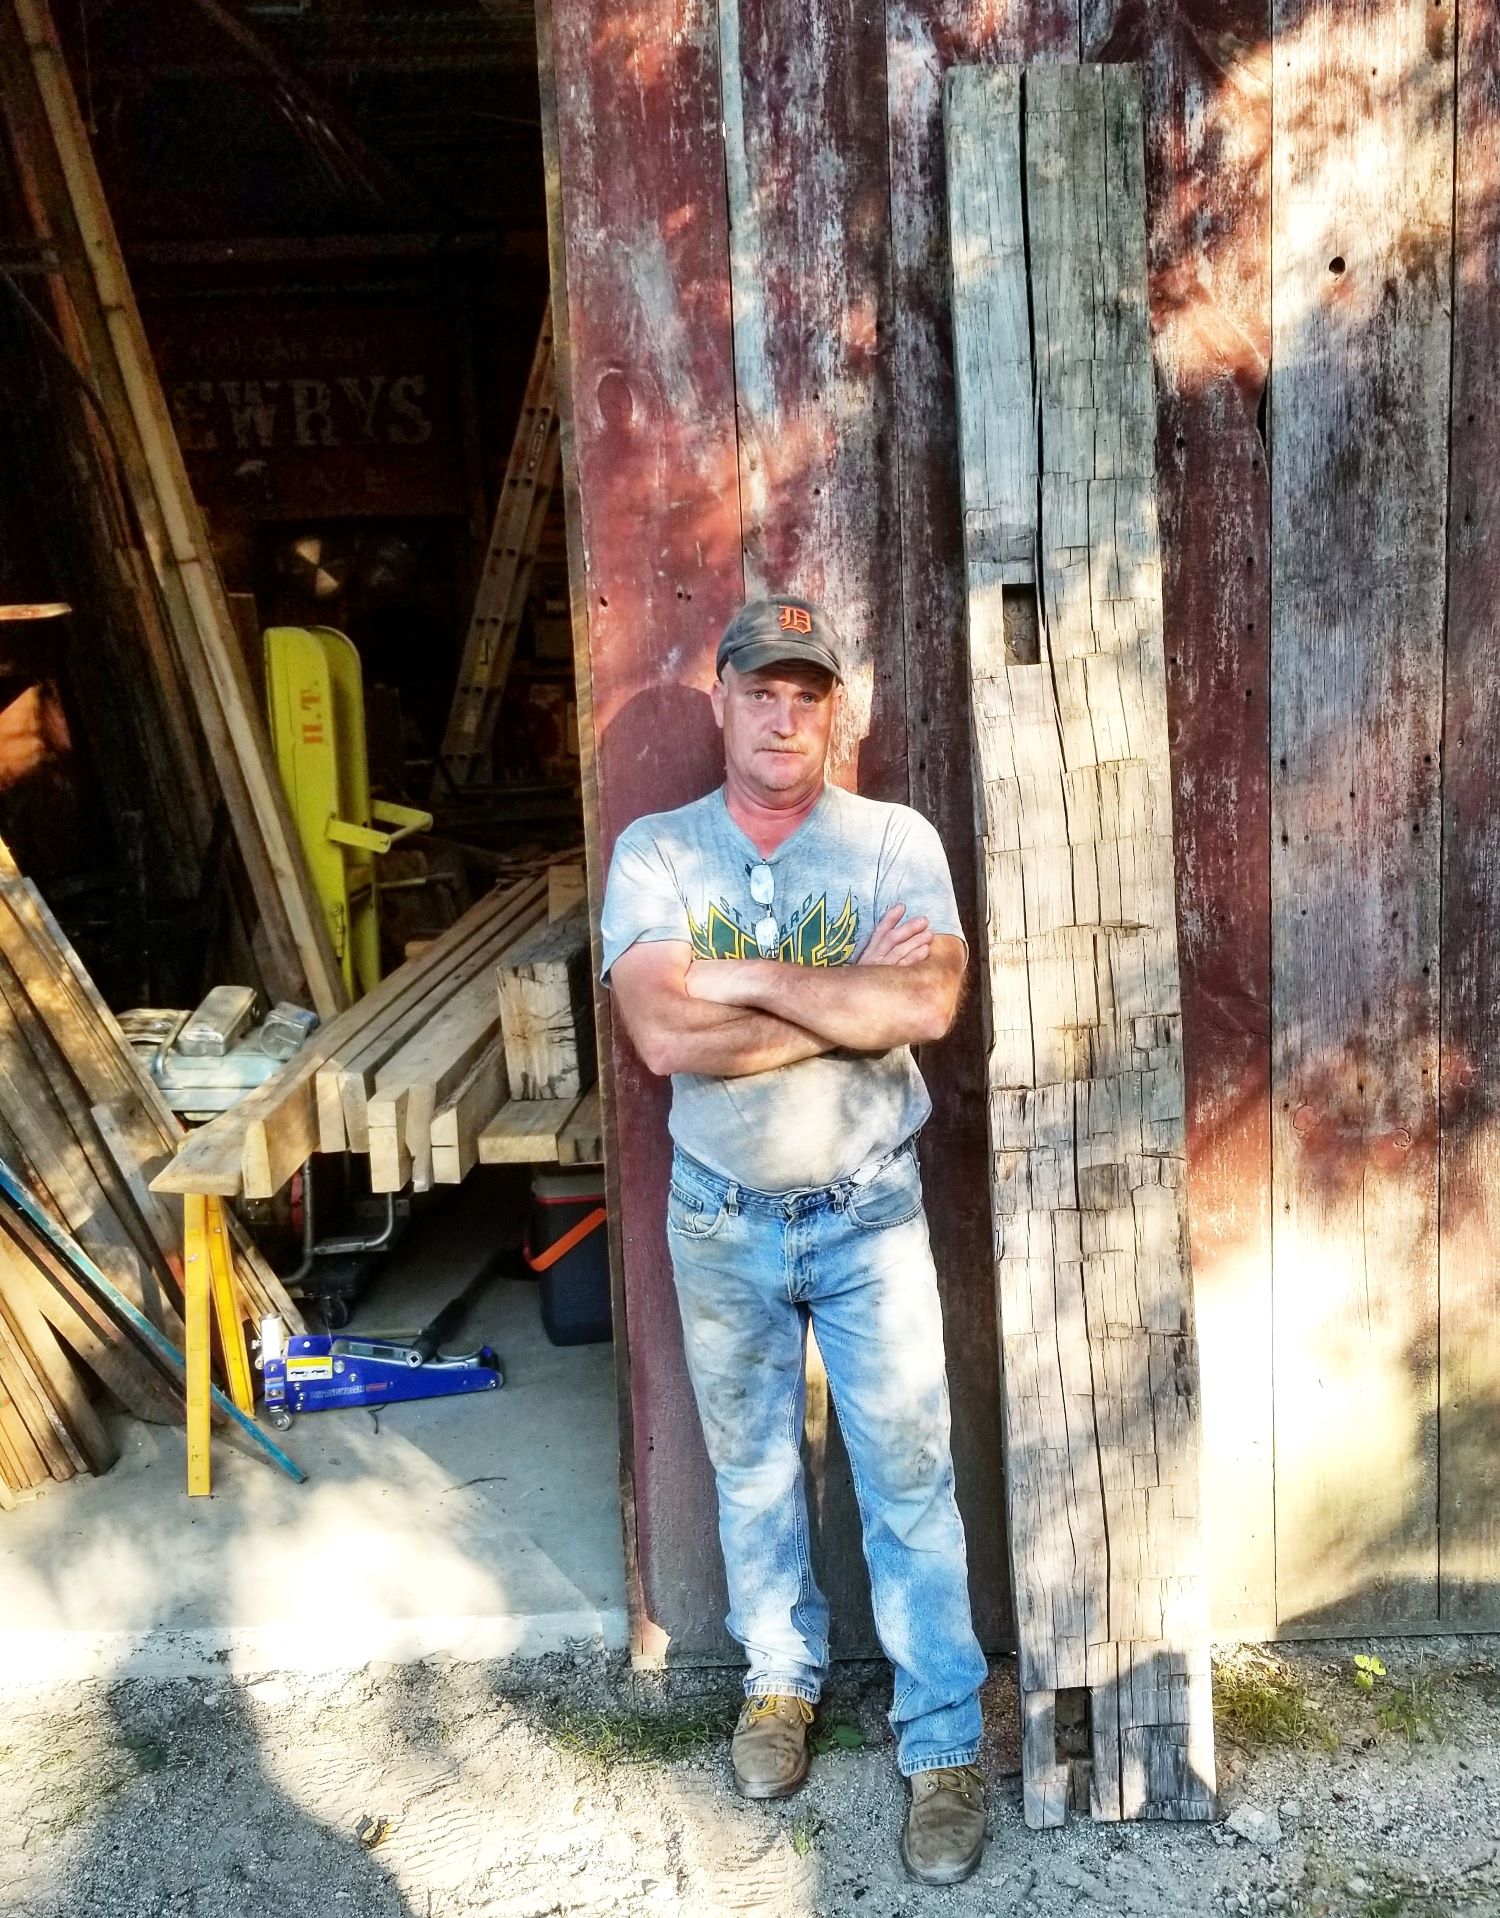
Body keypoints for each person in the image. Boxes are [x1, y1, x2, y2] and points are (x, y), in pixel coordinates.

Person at [599, 596, 988, 1887]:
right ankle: (781, 1683)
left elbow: (927, 996)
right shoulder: (658, 853)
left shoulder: (894, 842)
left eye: (807, 692)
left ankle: (942, 1743)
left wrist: (750, 977)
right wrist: (846, 1005)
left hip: (868, 1208)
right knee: (754, 1470)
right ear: (722, 700)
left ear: (838, 709)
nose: (784, 712)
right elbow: (662, 1035)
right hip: (720, 1214)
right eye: (762, 688)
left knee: (909, 1478)